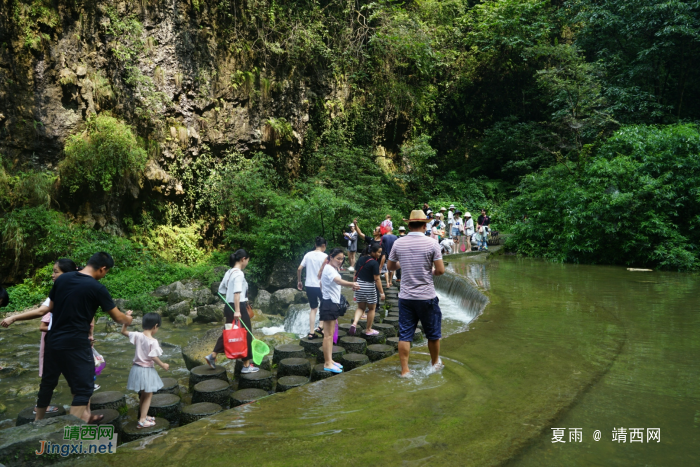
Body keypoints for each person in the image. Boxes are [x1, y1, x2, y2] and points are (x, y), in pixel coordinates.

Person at [34, 252, 133, 423]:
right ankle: (72, 430)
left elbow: (49, 307)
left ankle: (37, 422)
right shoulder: (97, 288)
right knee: (84, 387)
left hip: (53, 340)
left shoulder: (63, 279)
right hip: (76, 343)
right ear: (102, 269)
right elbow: (118, 318)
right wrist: (128, 319)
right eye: (106, 272)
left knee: (48, 383)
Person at [1, 258, 82, 414]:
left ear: (66, 274)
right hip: (69, 342)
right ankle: (80, 416)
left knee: (56, 381)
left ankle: (75, 416)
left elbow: (40, 311)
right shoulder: (78, 289)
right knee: (74, 381)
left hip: (61, 342)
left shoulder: (63, 291)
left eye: (55, 271)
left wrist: (13, 317)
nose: (52, 275)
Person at [387, 210, 445, 377]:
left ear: (409, 225)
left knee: (405, 335)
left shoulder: (399, 243)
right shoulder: (432, 243)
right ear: (425, 225)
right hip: (427, 296)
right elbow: (440, 271)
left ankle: (405, 370)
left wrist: (403, 264)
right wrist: (431, 271)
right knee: (433, 334)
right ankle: (434, 364)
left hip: (406, 297)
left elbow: (390, 267)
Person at [205, 250, 258, 373]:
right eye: (247, 260)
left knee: (229, 333)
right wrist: (238, 310)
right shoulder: (239, 274)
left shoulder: (229, 272)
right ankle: (246, 366)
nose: (247, 263)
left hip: (229, 307)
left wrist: (231, 303)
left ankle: (212, 356)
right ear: (243, 259)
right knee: (246, 334)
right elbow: (237, 293)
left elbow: (220, 290)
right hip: (237, 307)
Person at [121, 311, 169, 429]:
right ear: (155, 326)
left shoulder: (137, 335)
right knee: (148, 395)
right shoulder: (153, 341)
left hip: (136, 369)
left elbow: (123, 331)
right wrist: (163, 365)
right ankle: (142, 420)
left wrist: (126, 320)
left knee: (143, 394)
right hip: (146, 370)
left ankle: (143, 415)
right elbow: (153, 356)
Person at [318, 248, 360, 373]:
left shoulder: (331, 268)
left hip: (331, 303)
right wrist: (352, 284)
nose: (340, 261)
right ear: (331, 257)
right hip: (329, 304)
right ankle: (327, 363)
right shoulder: (329, 269)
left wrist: (325, 293)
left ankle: (330, 361)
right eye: (338, 258)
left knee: (330, 335)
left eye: (342, 259)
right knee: (328, 336)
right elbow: (338, 281)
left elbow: (322, 284)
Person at [349, 244, 385, 336]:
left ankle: (354, 323)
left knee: (360, 308)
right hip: (369, 287)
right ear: (372, 252)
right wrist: (381, 292)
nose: (380, 254)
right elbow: (377, 279)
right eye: (378, 252)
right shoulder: (374, 263)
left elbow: (355, 273)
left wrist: (354, 284)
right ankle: (368, 329)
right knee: (371, 309)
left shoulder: (361, 259)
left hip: (359, 286)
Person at [297, 237, 328, 340]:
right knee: (324, 306)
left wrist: (299, 281)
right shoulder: (325, 256)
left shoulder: (308, 255)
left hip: (309, 285)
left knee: (313, 308)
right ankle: (320, 327)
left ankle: (311, 333)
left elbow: (299, 269)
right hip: (321, 285)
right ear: (324, 246)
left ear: (315, 245)